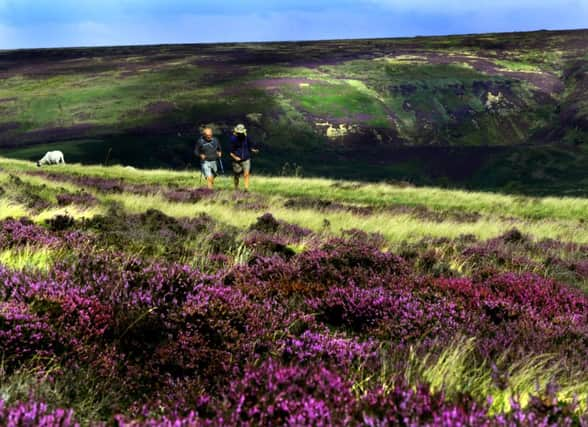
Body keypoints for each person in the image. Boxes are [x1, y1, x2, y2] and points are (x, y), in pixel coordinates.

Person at [229, 124, 259, 192]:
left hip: (246, 158)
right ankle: (236, 187)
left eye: (241, 132)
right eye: (239, 133)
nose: (240, 134)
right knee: (237, 174)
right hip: (236, 160)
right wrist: (235, 157)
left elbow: (249, 146)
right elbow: (230, 152)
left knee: (246, 174)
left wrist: (253, 150)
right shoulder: (233, 139)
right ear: (236, 132)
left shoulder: (246, 137)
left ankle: (246, 189)